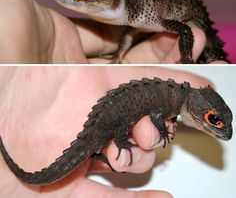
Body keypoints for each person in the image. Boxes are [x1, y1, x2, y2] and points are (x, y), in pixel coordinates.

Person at [0, 66, 213, 197]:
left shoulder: (176, 98)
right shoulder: (172, 101)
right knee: (122, 135)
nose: (212, 126)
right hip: (109, 124)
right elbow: (157, 115)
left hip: (107, 122)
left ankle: (113, 145)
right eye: (213, 120)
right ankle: (117, 143)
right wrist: (125, 141)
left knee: (122, 138)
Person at [0, 0, 225, 64]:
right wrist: (119, 56)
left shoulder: (151, 13)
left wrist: (185, 58)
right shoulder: (135, 19)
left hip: (201, 27)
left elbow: (186, 31)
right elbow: (130, 33)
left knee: (209, 53)